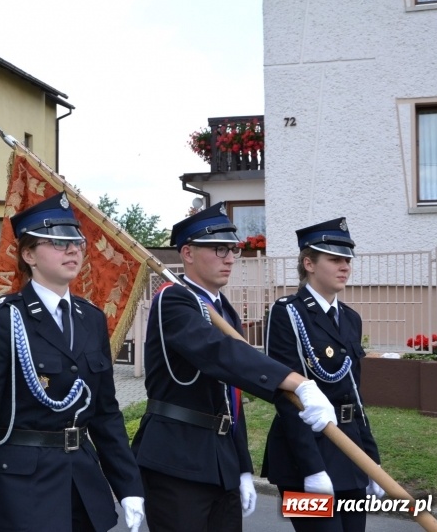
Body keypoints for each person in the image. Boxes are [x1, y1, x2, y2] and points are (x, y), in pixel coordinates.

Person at [130, 202, 339, 532]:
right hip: (177, 458)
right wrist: (295, 381)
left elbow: (232, 400)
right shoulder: (173, 299)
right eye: (218, 249)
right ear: (187, 253)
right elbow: (217, 353)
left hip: (221, 460)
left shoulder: (223, 309)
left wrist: (242, 467)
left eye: (233, 250)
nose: (229, 258)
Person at [0, 192, 145, 532]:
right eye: (57, 241)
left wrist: (129, 487)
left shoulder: (91, 318)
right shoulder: (4, 317)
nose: (73, 249)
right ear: (28, 254)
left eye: (77, 242)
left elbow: (105, 412)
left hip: (82, 483)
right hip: (23, 488)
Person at [261, 218, 382, 532]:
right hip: (302, 455)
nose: (345, 266)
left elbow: (355, 395)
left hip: (349, 449)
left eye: (347, 260)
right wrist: (312, 468)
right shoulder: (287, 311)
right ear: (309, 263)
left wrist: (371, 459)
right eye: (335, 259)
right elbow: (286, 394)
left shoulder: (351, 319)